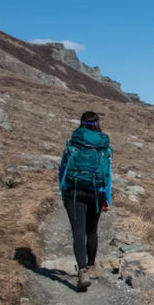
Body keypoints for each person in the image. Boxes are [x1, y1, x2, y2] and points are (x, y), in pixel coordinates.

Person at [58, 111, 113, 291]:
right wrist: (107, 197)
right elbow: (108, 175)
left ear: (81, 123)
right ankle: (91, 266)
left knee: (78, 232)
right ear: (97, 124)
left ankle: (81, 271)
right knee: (92, 230)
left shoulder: (73, 144)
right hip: (96, 192)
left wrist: (64, 191)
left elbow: (62, 170)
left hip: (73, 192)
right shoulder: (104, 147)